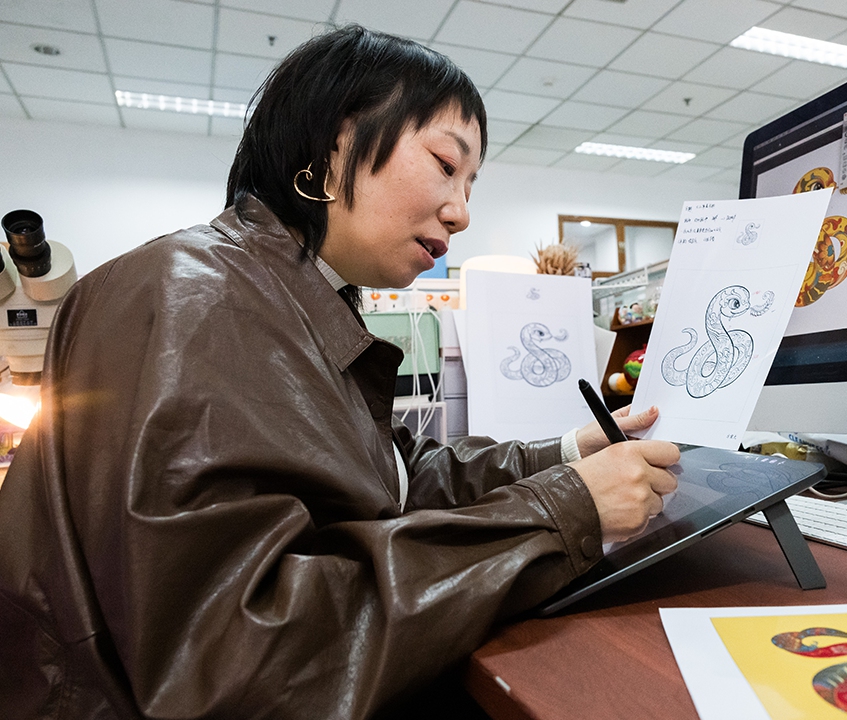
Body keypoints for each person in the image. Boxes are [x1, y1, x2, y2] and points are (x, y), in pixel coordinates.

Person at [0, 26, 679, 718]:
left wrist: (566, 455)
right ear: (335, 145)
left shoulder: (288, 295)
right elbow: (236, 658)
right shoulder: (198, 295)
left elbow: (393, 478)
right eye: (446, 165)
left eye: (470, 184)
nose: (462, 212)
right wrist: (564, 512)